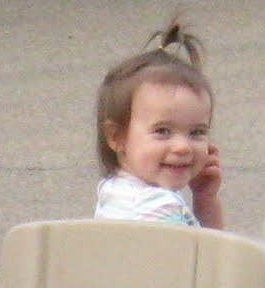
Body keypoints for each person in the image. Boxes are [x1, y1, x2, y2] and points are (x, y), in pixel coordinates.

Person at [94, 21, 223, 229]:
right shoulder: (162, 211)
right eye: (163, 131)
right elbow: (215, 257)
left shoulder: (113, 190)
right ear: (117, 137)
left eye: (197, 132)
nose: (183, 147)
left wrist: (204, 198)